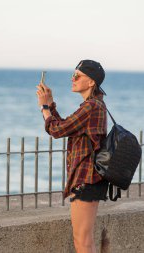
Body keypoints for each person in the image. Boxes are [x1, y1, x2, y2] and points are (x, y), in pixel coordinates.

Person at [36, 60, 109, 253]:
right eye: (73, 74)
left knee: (82, 241)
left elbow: (57, 130)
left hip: (87, 181)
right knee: (84, 241)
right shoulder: (93, 106)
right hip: (89, 180)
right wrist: (50, 105)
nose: (72, 79)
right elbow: (66, 126)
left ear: (91, 82)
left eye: (77, 75)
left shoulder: (91, 107)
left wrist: (44, 107)